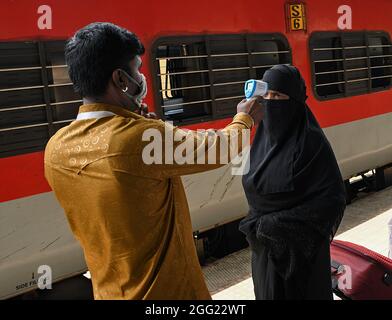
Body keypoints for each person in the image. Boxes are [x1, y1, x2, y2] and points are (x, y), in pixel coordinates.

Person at [44, 22, 263, 300]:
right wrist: (246, 118)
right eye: (137, 69)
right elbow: (221, 147)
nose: (141, 76)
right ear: (121, 80)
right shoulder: (140, 138)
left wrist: (137, 123)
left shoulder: (56, 148)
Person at [239, 64, 346, 300]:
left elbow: (332, 200)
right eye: (266, 95)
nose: (270, 102)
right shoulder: (260, 143)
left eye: (277, 95)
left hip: (301, 259)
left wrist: (274, 224)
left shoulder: (312, 143)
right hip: (265, 258)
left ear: (295, 101)